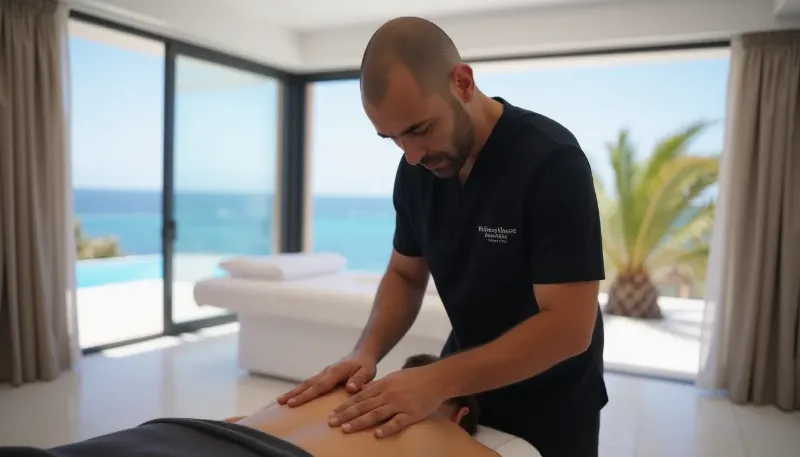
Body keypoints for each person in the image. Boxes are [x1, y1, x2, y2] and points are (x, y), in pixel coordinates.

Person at [277, 16, 608, 457]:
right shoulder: (417, 171)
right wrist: (366, 351)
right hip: (462, 390)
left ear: (463, 82)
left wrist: (435, 380)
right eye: (391, 139)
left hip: (552, 398)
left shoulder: (551, 163)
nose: (411, 155)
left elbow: (568, 327)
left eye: (419, 129)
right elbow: (406, 274)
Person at [0, 355, 497, 457]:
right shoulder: (442, 429)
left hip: (175, 435)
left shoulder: (333, 389)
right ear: (460, 414)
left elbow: (240, 421)